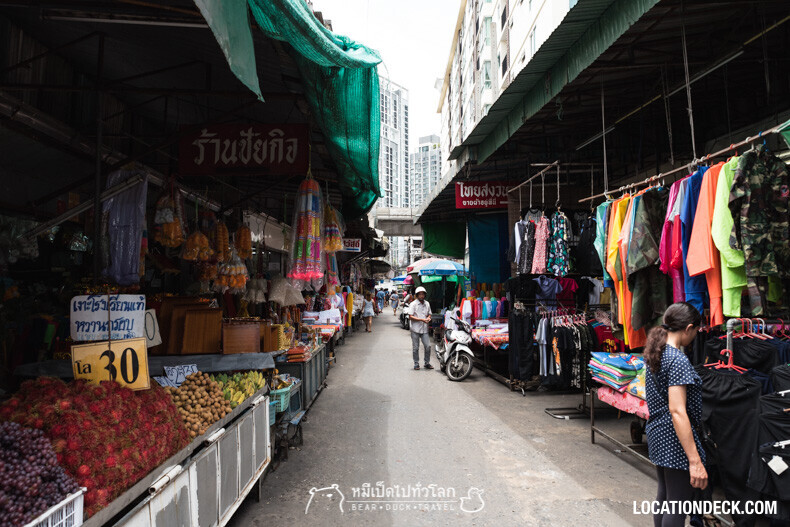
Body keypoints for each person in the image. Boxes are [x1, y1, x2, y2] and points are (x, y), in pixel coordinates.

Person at [644, 302, 707, 527]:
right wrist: (694, 460)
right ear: (689, 328)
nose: (695, 336)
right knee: (678, 505)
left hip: (658, 433)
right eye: (697, 331)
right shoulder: (677, 360)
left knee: (665, 496)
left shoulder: (657, 352)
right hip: (674, 438)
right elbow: (678, 411)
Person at [408, 286, 433, 370]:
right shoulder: (413, 304)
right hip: (415, 329)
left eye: (423, 294)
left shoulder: (427, 303)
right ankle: (416, 363)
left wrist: (429, 318)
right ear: (417, 295)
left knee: (428, 346)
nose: (422, 296)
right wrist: (422, 319)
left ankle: (427, 362)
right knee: (416, 347)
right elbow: (410, 316)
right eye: (420, 294)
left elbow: (429, 314)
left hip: (425, 329)